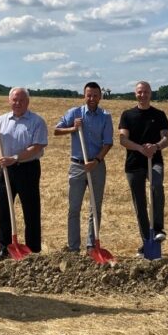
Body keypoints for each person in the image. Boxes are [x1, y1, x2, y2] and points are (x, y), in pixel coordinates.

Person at [0, 87, 48, 261]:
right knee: (4, 209)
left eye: (21, 100)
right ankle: (4, 248)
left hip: (28, 168)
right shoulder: (1, 120)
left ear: (27, 102)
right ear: (9, 101)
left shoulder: (37, 121)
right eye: (14, 100)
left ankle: (33, 249)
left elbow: (37, 146)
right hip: (6, 170)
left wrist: (16, 158)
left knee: (31, 209)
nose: (17, 103)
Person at [54, 82, 113, 254]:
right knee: (74, 208)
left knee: (95, 207)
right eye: (89, 95)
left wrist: (96, 160)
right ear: (84, 95)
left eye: (95, 95)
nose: (92, 98)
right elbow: (56, 130)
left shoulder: (105, 117)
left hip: (96, 166)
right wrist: (73, 128)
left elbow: (108, 143)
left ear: (100, 96)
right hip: (77, 166)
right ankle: (73, 248)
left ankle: (91, 246)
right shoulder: (74, 113)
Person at [118, 81, 168, 257]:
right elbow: (123, 140)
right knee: (139, 203)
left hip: (154, 161)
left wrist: (155, 146)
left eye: (146, 92)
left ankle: (158, 228)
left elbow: (166, 139)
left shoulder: (159, 114)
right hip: (134, 164)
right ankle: (146, 241)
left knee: (157, 186)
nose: (143, 95)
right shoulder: (127, 115)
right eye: (140, 92)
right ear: (136, 94)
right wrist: (141, 148)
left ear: (150, 94)